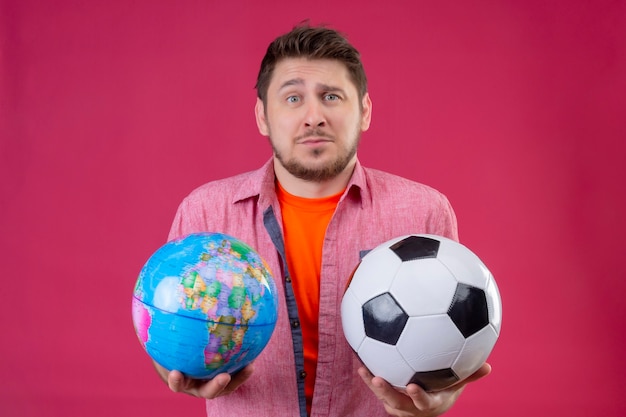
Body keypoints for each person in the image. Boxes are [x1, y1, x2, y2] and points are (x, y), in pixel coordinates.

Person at [152, 24, 491, 417]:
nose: (314, 117)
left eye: (331, 96)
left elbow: (446, 351)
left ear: (364, 110)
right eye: (293, 98)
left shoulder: (424, 211)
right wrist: (176, 370)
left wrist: (439, 399)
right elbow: (167, 334)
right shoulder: (205, 213)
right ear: (263, 116)